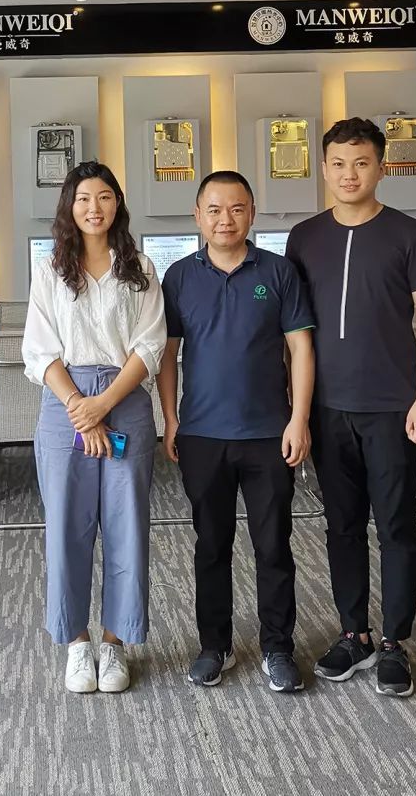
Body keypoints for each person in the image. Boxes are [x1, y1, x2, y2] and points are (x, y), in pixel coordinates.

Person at [284, 117, 416, 699]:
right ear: (323, 169)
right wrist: (295, 408)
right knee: (342, 526)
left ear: (380, 167)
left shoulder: (410, 235)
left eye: (361, 163)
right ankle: (354, 633)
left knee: (397, 524)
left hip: (392, 408)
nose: (349, 174)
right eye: (338, 164)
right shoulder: (303, 237)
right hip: (327, 409)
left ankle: (395, 642)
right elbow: (294, 332)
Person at [159, 170, 315, 693]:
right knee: (211, 545)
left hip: (269, 434)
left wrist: (298, 419)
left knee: (273, 545)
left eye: (237, 208)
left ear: (252, 213)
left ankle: (277, 647)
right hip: (203, 435)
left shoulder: (279, 271)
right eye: (214, 209)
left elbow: (300, 349)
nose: (225, 219)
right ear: (197, 216)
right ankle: (215, 646)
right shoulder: (179, 277)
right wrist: (171, 419)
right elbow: (167, 356)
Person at [22, 161, 166, 694]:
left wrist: (102, 404)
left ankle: (115, 643)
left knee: (127, 527)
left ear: (117, 204)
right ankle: (77, 644)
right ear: (70, 206)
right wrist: (81, 408)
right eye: (83, 198)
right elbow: (39, 350)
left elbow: (150, 345)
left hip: (124, 400)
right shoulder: (49, 271)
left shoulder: (140, 267)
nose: (94, 207)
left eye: (104, 197)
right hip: (65, 407)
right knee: (67, 527)